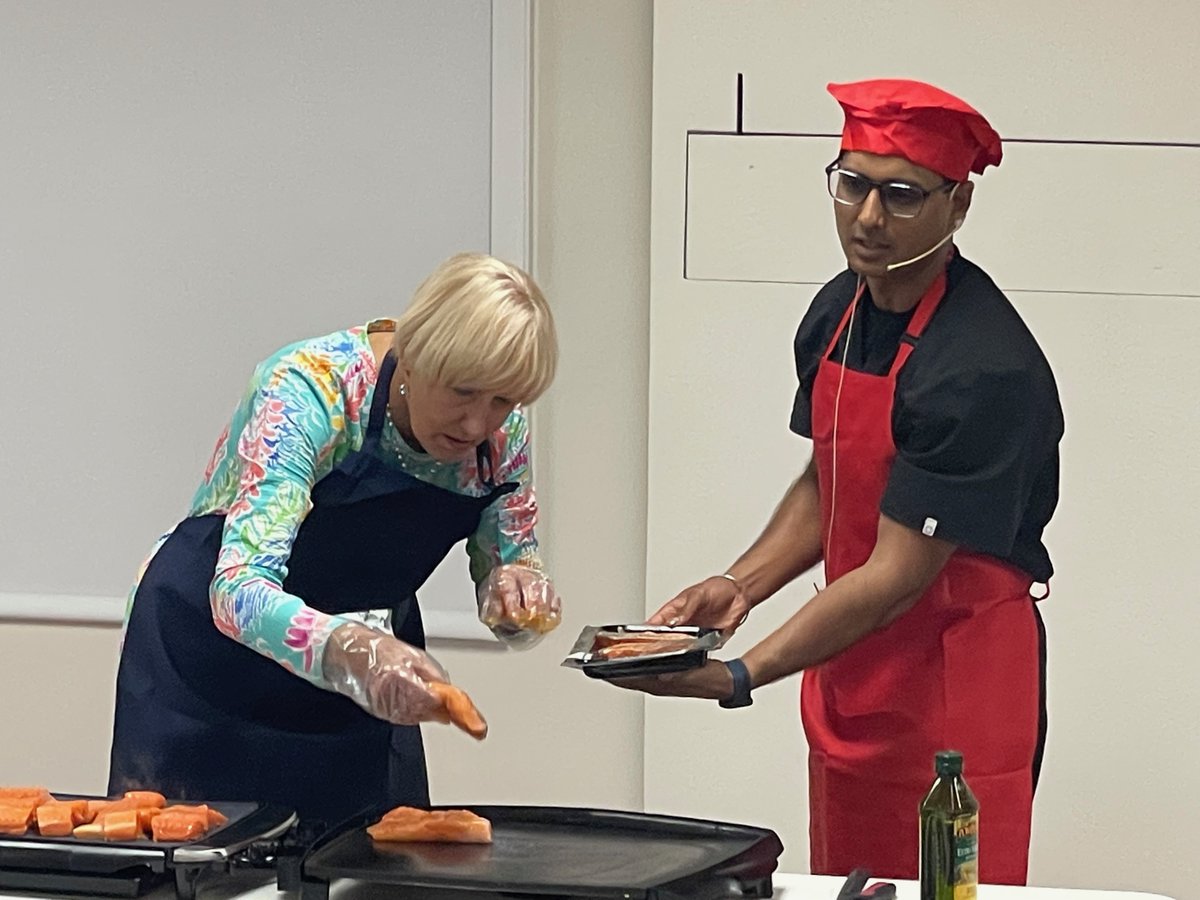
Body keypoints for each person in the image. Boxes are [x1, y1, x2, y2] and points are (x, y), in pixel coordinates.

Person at [614, 79, 1063, 884]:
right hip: (856, 676)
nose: (867, 218)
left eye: (901, 194)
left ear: (957, 207)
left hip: (953, 692)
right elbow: (832, 477)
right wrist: (739, 586)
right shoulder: (838, 312)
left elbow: (894, 578)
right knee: (849, 884)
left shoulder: (980, 368)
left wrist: (738, 674)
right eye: (851, 183)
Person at [108, 251, 561, 827]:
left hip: (359, 679)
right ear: (413, 356)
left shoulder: (502, 435)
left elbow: (510, 556)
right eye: (462, 391)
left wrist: (517, 591)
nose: (477, 424)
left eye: (502, 401)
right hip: (208, 663)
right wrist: (349, 651)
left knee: (368, 866)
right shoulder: (309, 391)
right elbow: (239, 591)